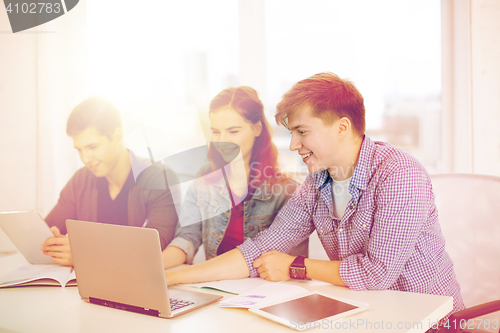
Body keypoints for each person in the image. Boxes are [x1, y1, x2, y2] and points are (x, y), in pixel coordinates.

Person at [164, 73, 465, 317]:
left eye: (302, 132)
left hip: (431, 322)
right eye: (291, 133)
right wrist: (173, 277)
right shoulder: (315, 185)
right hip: (370, 317)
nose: (294, 145)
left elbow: (376, 273)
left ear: (342, 127)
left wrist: (295, 267)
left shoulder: (399, 175)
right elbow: (259, 249)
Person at [162, 86, 308, 269]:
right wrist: (153, 267)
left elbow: (290, 265)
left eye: (233, 131)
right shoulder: (204, 181)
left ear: (257, 129)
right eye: (216, 132)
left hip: (262, 291)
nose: (222, 141)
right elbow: (187, 238)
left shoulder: (286, 192)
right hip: (215, 285)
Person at [41, 97, 179, 266]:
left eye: (92, 147)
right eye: (79, 150)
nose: (85, 158)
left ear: (117, 137)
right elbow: (47, 230)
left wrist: (84, 253)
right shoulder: (81, 179)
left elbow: (155, 246)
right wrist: (51, 240)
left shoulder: (158, 178)